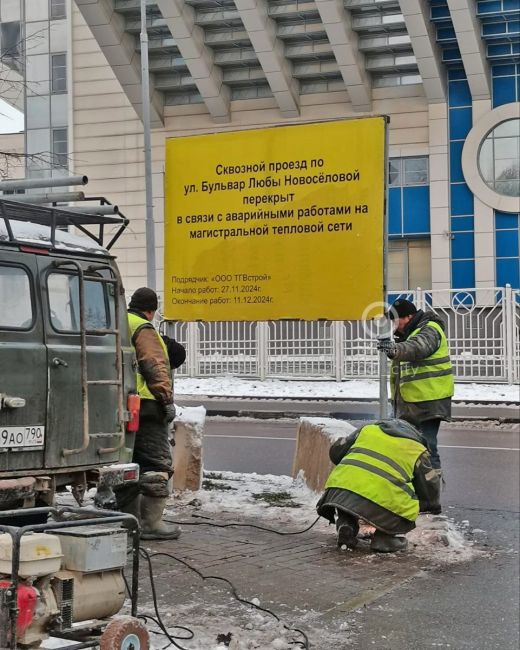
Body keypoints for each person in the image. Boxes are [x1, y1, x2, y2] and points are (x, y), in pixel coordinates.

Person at [316, 419, 441, 552]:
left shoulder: (368, 430)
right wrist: (431, 505)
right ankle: (385, 539)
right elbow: (429, 486)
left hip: (339, 492)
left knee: (348, 494)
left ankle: (347, 524)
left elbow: (336, 452)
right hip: (385, 504)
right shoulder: (417, 449)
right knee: (407, 505)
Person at [117, 287, 181, 540]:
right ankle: (151, 524)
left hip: (120, 403)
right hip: (146, 405)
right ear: (151, 311)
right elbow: (154, 363)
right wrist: (165, 399)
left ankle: (127, 521)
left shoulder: (119, 321)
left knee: (127, 463)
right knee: (156, 463)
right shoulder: (143, 327)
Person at [377, 299, 454, 474]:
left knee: (426, 447)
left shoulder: (430, 329)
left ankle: (432, 492)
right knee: (410, 446)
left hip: (429, 400)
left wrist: (394, 349)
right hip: (413, 402)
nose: (393, 324)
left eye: (396, 320)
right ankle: (418, 489)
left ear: (408, 317)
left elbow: (417, 348)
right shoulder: (408, 335)